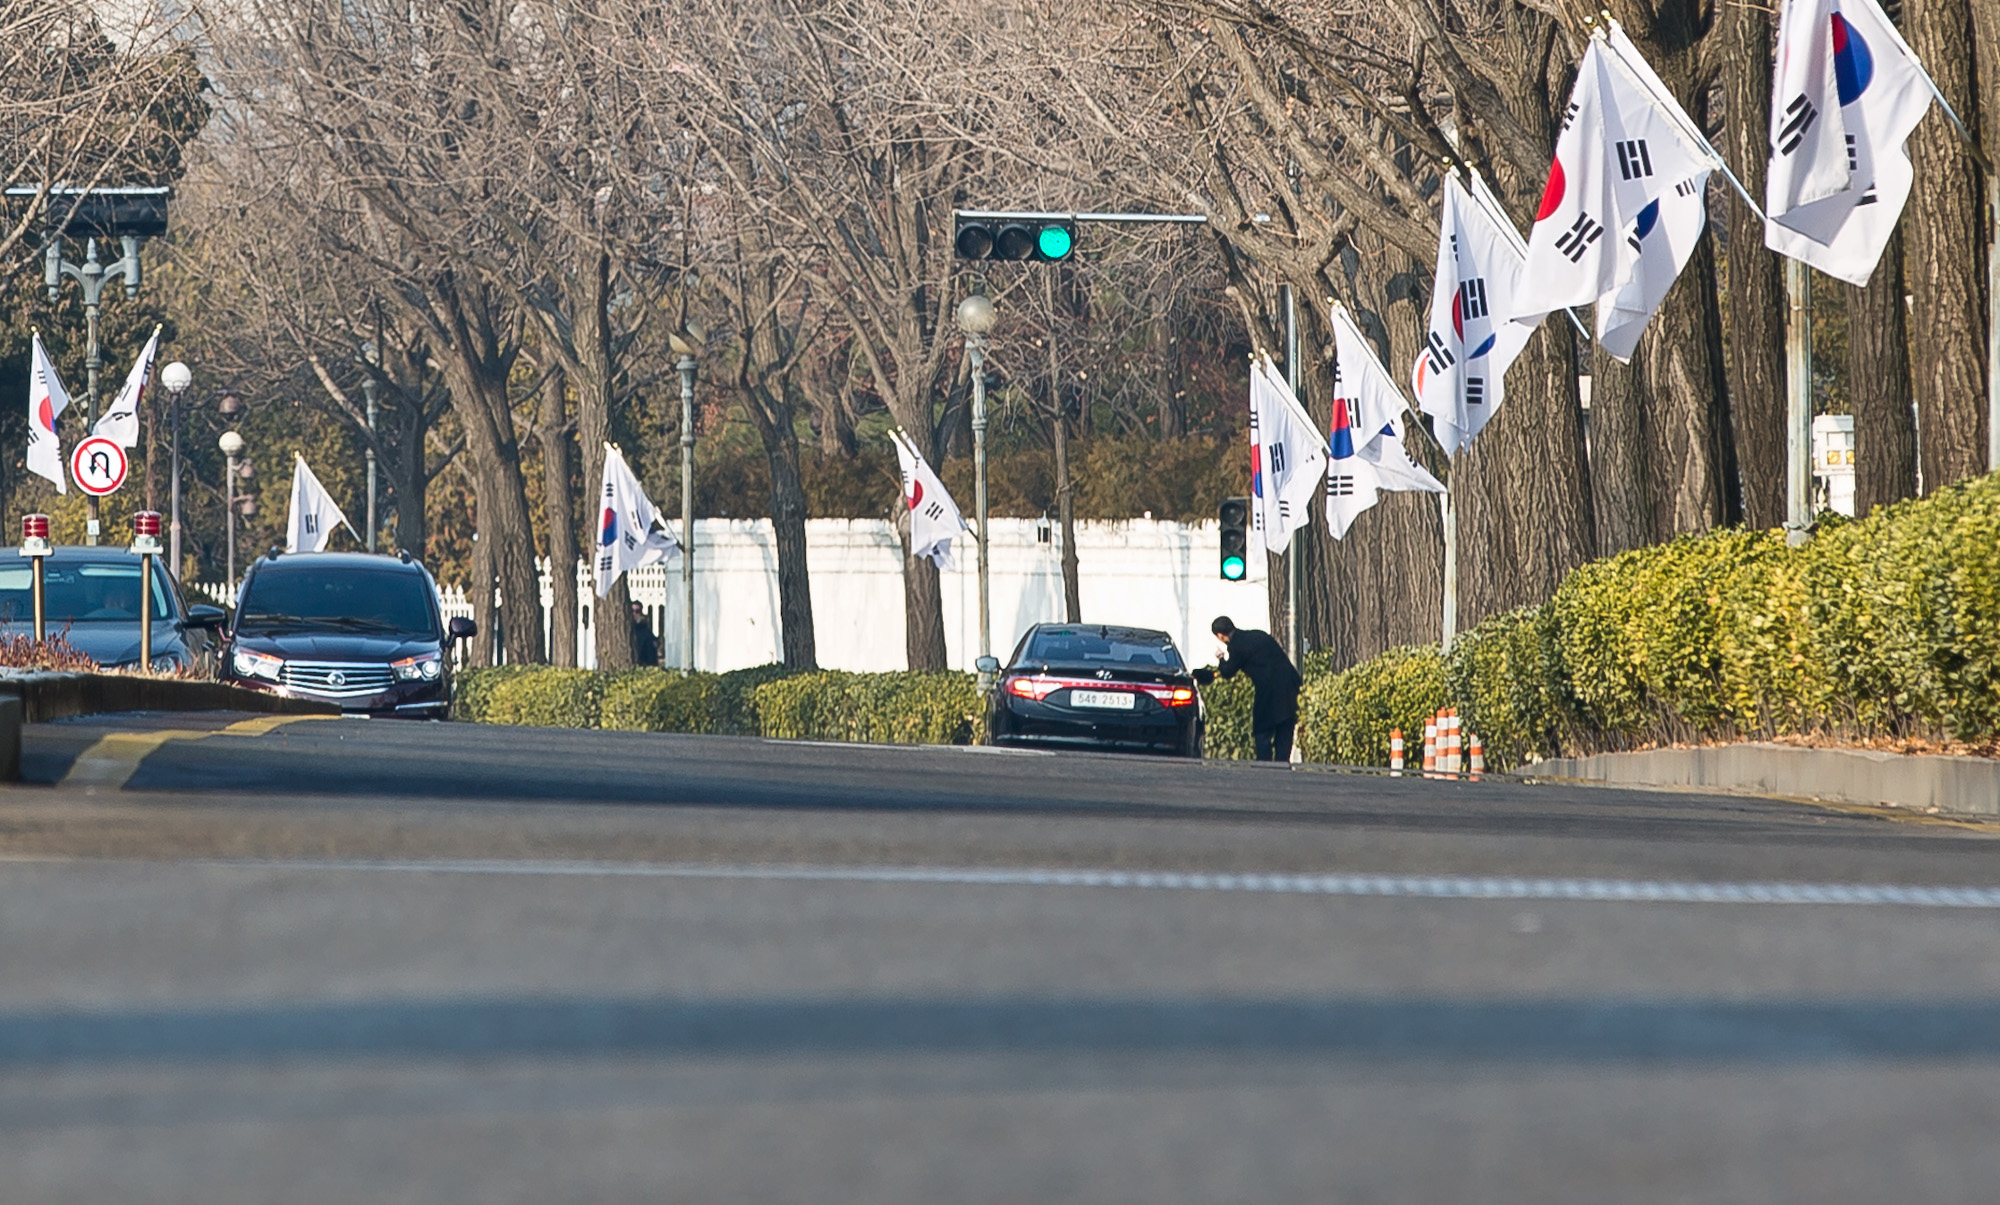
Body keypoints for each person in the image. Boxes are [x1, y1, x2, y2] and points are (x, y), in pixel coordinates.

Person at [1206, 615, 1301, 762]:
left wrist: (1220, 658)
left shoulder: (1236, 646)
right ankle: (1282, 765)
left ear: (1220, 636)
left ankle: (1265, 765)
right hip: (1290, 683)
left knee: (1262, 729)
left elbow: (1228, 671)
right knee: (1285, 726)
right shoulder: (1258, 635)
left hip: (1268, 690)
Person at [629, 601, 660, 667]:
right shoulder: (628, 629)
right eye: (632, 611)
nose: (634, 614)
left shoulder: (645, 631)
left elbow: (651, 654)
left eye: (637, 611)